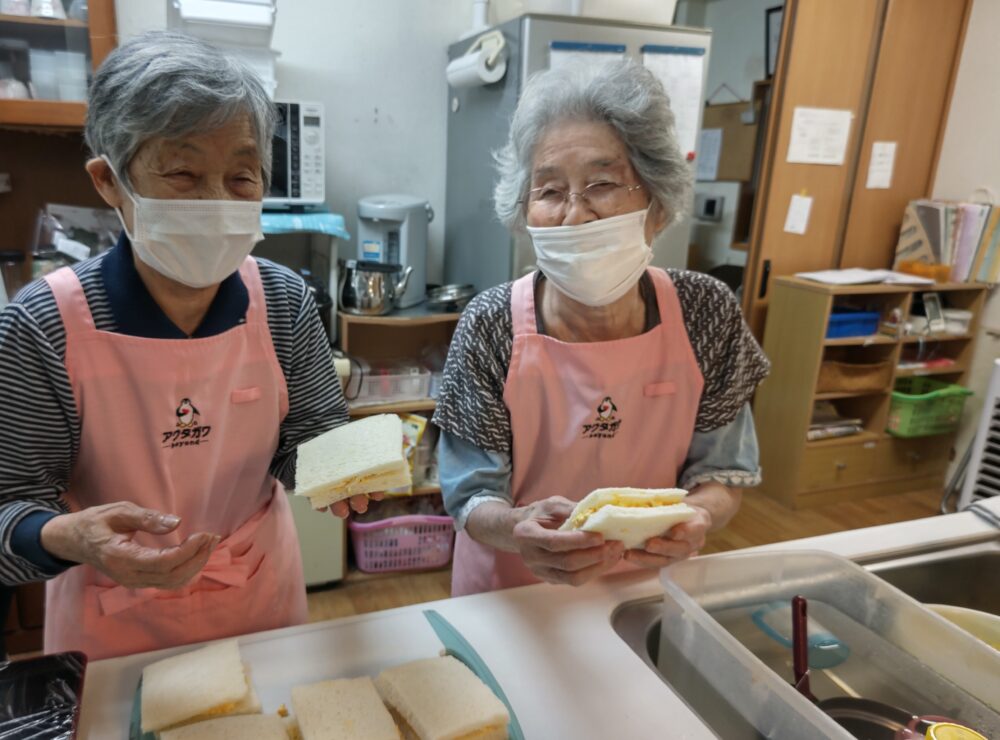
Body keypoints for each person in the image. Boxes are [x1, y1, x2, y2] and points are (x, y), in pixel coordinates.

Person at [0, 32, 369, 659]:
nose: (217, 203)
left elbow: (307, 442)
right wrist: (70, 536)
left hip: (259, 597)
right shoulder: (44, 323)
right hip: (113, 621)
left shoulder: (280, 302)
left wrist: (342, 473)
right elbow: (9, 503)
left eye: (241, 176)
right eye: (183, 174)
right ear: (109, 182)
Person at [433, 61, 770, 596]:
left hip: (650, 587)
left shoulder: (706, 312)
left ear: (657, 206)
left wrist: (698, 517)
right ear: (524, 211)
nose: (574, 215)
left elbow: (724, 473)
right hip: (514, 591)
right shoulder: (490, 324)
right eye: (548, 191)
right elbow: (470, 496)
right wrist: (519, 531)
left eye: (602, 184)